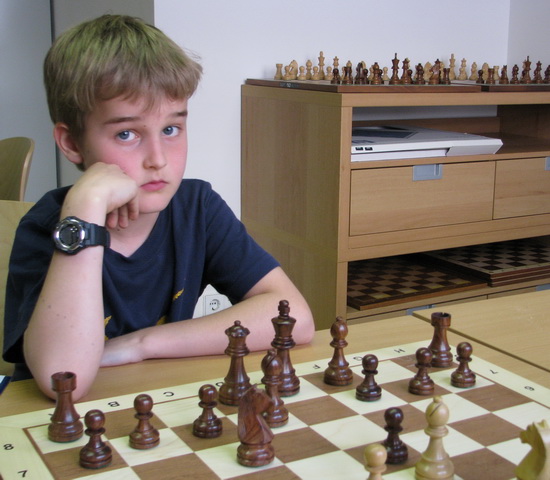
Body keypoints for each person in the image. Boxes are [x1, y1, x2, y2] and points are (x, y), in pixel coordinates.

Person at [3, 15, 314, 401]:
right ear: (71, 143)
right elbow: (63, 379)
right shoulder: (48, 227)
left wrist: (142, 344)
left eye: (170, 129)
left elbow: (295, 318)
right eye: (126, 134)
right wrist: (84, 209)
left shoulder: (196, 208)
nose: (158, 159)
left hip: (149, 400)